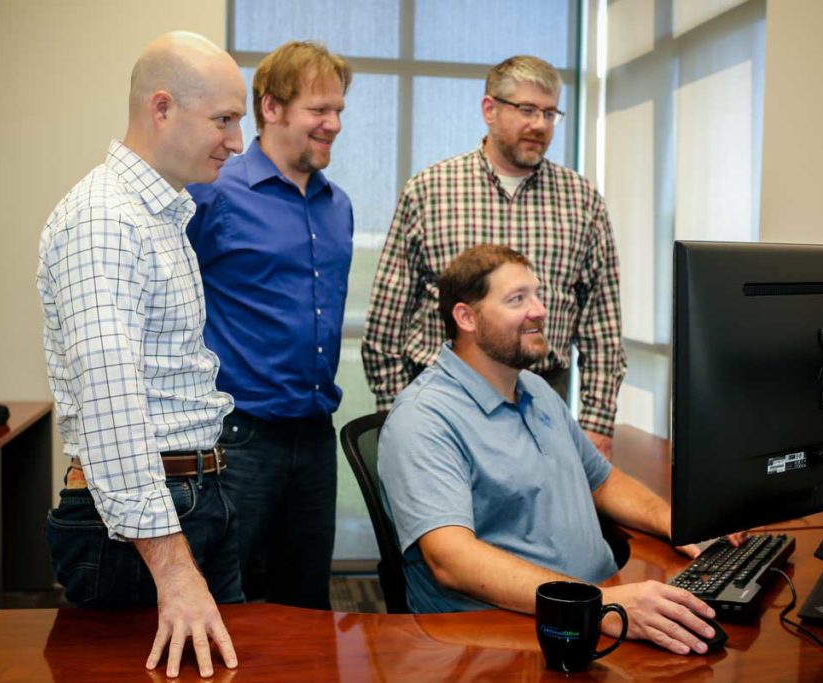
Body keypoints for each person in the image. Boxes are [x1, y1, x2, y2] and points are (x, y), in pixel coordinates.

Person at [378, 245, 743, 655]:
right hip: (502, 637)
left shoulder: (534, 389)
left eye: (537, 295)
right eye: (517, 299)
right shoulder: (423, 419)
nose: (538, 310)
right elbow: (451, 560)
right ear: (466, 317)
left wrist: (676, 521)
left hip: (597, 604)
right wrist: (601, 604)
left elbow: (600, 480)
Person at [36, 32, 246, 678]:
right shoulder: (106, 218)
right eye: (224, 120)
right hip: (139, 532)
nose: (237, 143)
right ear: (162, 108)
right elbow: (111, 407)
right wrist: (173, 566)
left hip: (190, 499)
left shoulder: (161, 216)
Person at [363, 54, 627, 459]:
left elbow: (602, 328)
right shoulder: (430, 191)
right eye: (526, 110)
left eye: (549, 113)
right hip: (441, 400)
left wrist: (596, 423)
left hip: (540, 402)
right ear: (489, 109)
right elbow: (385, 325)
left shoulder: (582, 201)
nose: (539, 125)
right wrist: (398, 412)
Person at [186, 41, 353, 609]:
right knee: (223, 598)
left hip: (314, 436)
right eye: (319, 110)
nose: (332, 124)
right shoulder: (213, 193)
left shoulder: (339, 205)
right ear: (272, 108)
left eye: (339, 111)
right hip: (240, 438)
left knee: (305, 602)